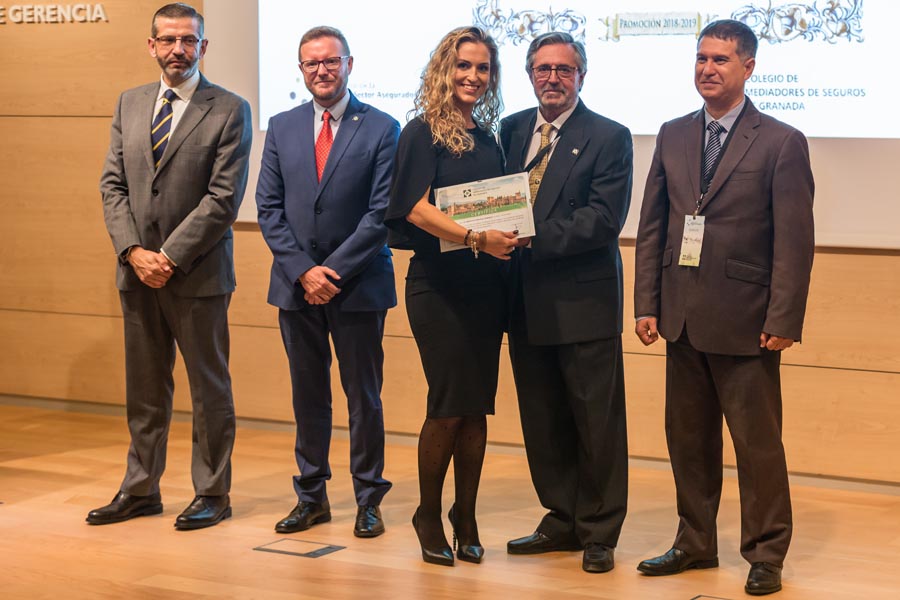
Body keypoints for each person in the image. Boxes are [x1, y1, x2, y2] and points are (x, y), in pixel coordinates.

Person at [632, 19, 814, 596]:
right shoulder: (672, 133)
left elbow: (794, 241)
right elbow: (653, 225)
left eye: (720, 60)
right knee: (688, 441)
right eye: (701, 58)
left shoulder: (782, 140)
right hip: (681, 316)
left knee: (757, 447)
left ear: (748, 68)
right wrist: (646, 303)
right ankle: (695, 542)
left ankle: (766, 553)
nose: (707, 69)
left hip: (747, 321)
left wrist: (783, 318)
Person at [91, 2, 252, 530]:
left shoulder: (229, 108)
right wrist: (133, 251)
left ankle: (213, 492)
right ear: (152, 45)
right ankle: (141, 488)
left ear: (203, 46)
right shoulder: (130, 102)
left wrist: (168, 256)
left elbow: (223, 199)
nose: (177, 49)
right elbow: (112, 185)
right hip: (136, 272)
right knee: (144, 390)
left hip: (197, 274)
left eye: (188, 40)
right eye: (168, 39)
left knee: (209, 391)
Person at [256, 26, 398, 538]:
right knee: (308, 396)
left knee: (364, 398)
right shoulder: (282, 125)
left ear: (349, 64)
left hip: (357, 286)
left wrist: (330, 273)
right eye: (311, 63)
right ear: (301, 69)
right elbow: (268, 208)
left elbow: (381, 213)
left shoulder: (382, 127)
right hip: (296, 287)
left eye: (331, 61)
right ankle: (311, 497)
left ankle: (368, 499)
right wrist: (303, 271)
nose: (322, 70)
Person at [499, 32, 633, 573]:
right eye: (543, 68)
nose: (552, 78)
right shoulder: (510, 130)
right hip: (523, 300)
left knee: (596, 423)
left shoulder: (609, 135)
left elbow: (603, 219)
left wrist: (527, 236)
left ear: (582, 76)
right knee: (543, 418)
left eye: (564, 69)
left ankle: (599, 530)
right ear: (529, 74)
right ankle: (562, 517)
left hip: (582, 303)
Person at [385, 26, 518, 566]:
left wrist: (510, 235)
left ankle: (466, 515)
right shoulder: (422, 132)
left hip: (486, 288)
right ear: (445, 69)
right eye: (464, 65)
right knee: (447, 406)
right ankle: (427, 514)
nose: (473, 76)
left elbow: (499, 207)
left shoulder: (489, 137)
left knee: (475, 408)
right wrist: (475, 239)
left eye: (483, 68)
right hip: (438, 288)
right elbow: (414, 208)